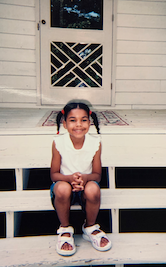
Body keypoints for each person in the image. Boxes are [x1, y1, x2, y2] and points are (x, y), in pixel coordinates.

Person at [50, 101, 112, 256]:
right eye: (73, 120)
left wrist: (84, 178)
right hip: (63, 186)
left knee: (93, 188)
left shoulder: (95, 143)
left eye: (83, 120)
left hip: (86, 186)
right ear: (64, 124)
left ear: (89, 123)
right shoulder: (58, 142)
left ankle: (90, 227)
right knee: (63, 188)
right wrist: (70, 179)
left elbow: (97, 174)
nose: (78, 125)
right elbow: (54, 174)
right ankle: (65, 229)